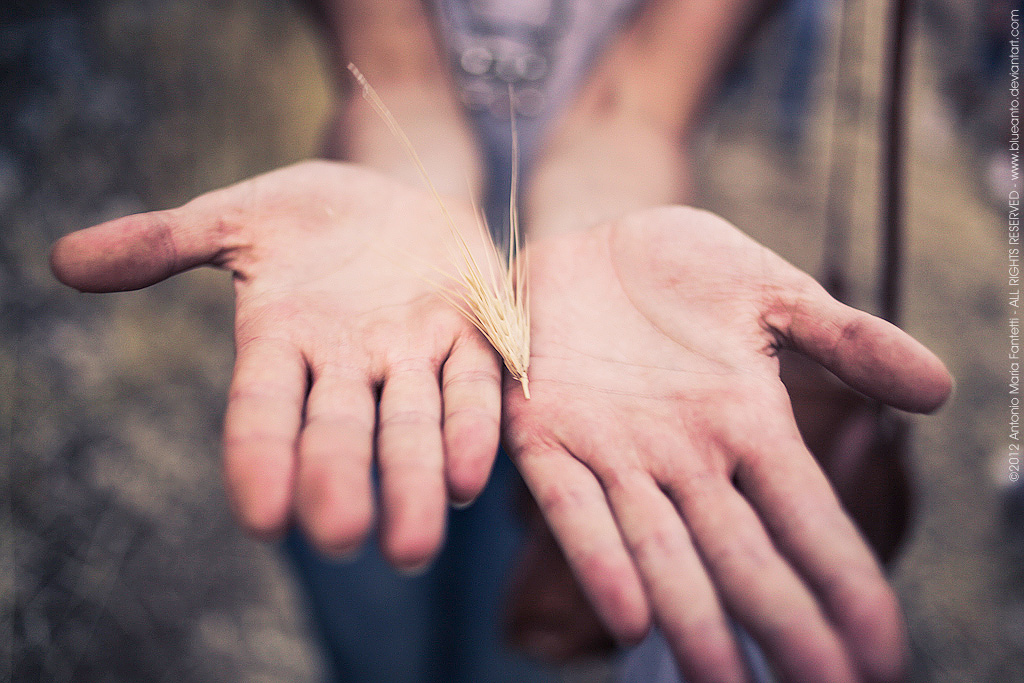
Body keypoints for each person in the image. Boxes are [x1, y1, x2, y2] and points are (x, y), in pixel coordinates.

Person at [49, 1, 953, 681]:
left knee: (527, 641)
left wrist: (602, 219)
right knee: (375, 632)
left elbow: (635, 106)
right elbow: (395, 72)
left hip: (617, 364)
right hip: (364, 332)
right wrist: (408, 164)